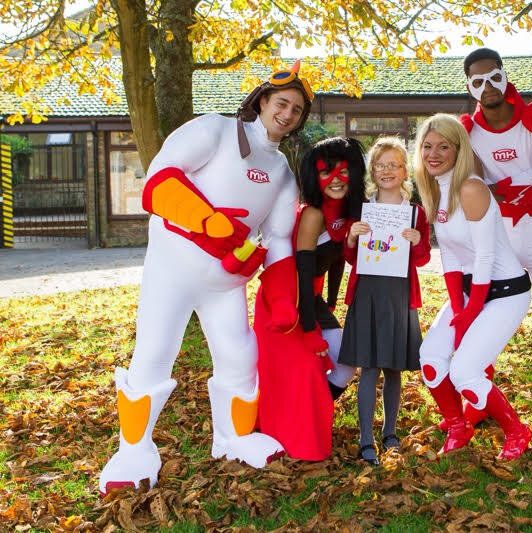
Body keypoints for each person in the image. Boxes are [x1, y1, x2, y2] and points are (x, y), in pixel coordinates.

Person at [99, 61, 313, 494]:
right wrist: (212, 225)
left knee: (240, 357)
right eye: (282, 103)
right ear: (262, 100)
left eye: (296, 111)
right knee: (154, 353)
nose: (287, 114)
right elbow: (159, 182)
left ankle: (233, 438)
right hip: (172, 272)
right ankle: (133, 450)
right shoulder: (212, 130)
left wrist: (282, 292)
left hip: (226, 285)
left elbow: (278, 239)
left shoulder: (283, 173)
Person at [457, 47, 532, 448]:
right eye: (478, 81)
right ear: (469, 86)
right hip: (497, 239)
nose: (488, 86)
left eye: (494, 76)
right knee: (482, 320)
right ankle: (478, 403)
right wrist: (515, 187)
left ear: (504, 74)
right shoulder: (467, 133)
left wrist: (514, 190)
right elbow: (472, 190)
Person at [415, 113, 532, 461]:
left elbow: (485, 256)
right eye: (427, 146)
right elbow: (450, 254)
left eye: (444, 147)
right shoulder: (435, 188)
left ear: (458, 150)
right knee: (432, 360)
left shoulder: (471, 187)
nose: (433, 154)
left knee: (465, 371)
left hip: (505, 292)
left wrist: (470, 312)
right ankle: (457, 424)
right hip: (470, 291)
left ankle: (516, 430)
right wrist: (458, 305)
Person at [253, 136, 366, 461]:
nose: (335, 180)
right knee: (304, 371)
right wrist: (308, 329)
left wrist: (331, 300)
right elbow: (303, 271)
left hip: (313, 302)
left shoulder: (346, 213)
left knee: (348, 359)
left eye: (343, 172)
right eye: (326, 172)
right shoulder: (314, 214)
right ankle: (294, 428)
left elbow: (337, 260)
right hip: (287, 306)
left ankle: (313, 411)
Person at [338, 137, 432, 465]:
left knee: (393, 367)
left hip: (400, 294)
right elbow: (351, 257)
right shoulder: (362, 209)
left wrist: (419, 241)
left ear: (404, 169)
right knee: (369, 365)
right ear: (372, 171)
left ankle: (390, 433)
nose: (386, 170)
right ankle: (366, 439)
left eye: (393, 164)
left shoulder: (415, 213)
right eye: (380, 165)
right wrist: (352, 236)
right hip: (368, 292)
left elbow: (420, 259)